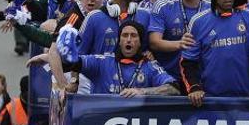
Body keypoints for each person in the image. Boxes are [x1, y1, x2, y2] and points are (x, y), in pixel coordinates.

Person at [46, 21, 180, 96]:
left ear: (140, 42)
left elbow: (174, 88)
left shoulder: (149, 66)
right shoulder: (102, 62)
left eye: (133, 36)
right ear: (119, 41)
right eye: (124, 35)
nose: (128, 40)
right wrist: (59, 53)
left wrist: (142, 91)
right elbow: (72, 63)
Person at [148, 0, 212, 79]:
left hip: (204, 77)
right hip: (171, 77)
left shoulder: (212, 6)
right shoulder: (163, 6)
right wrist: (180, 44)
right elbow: (154, 42)